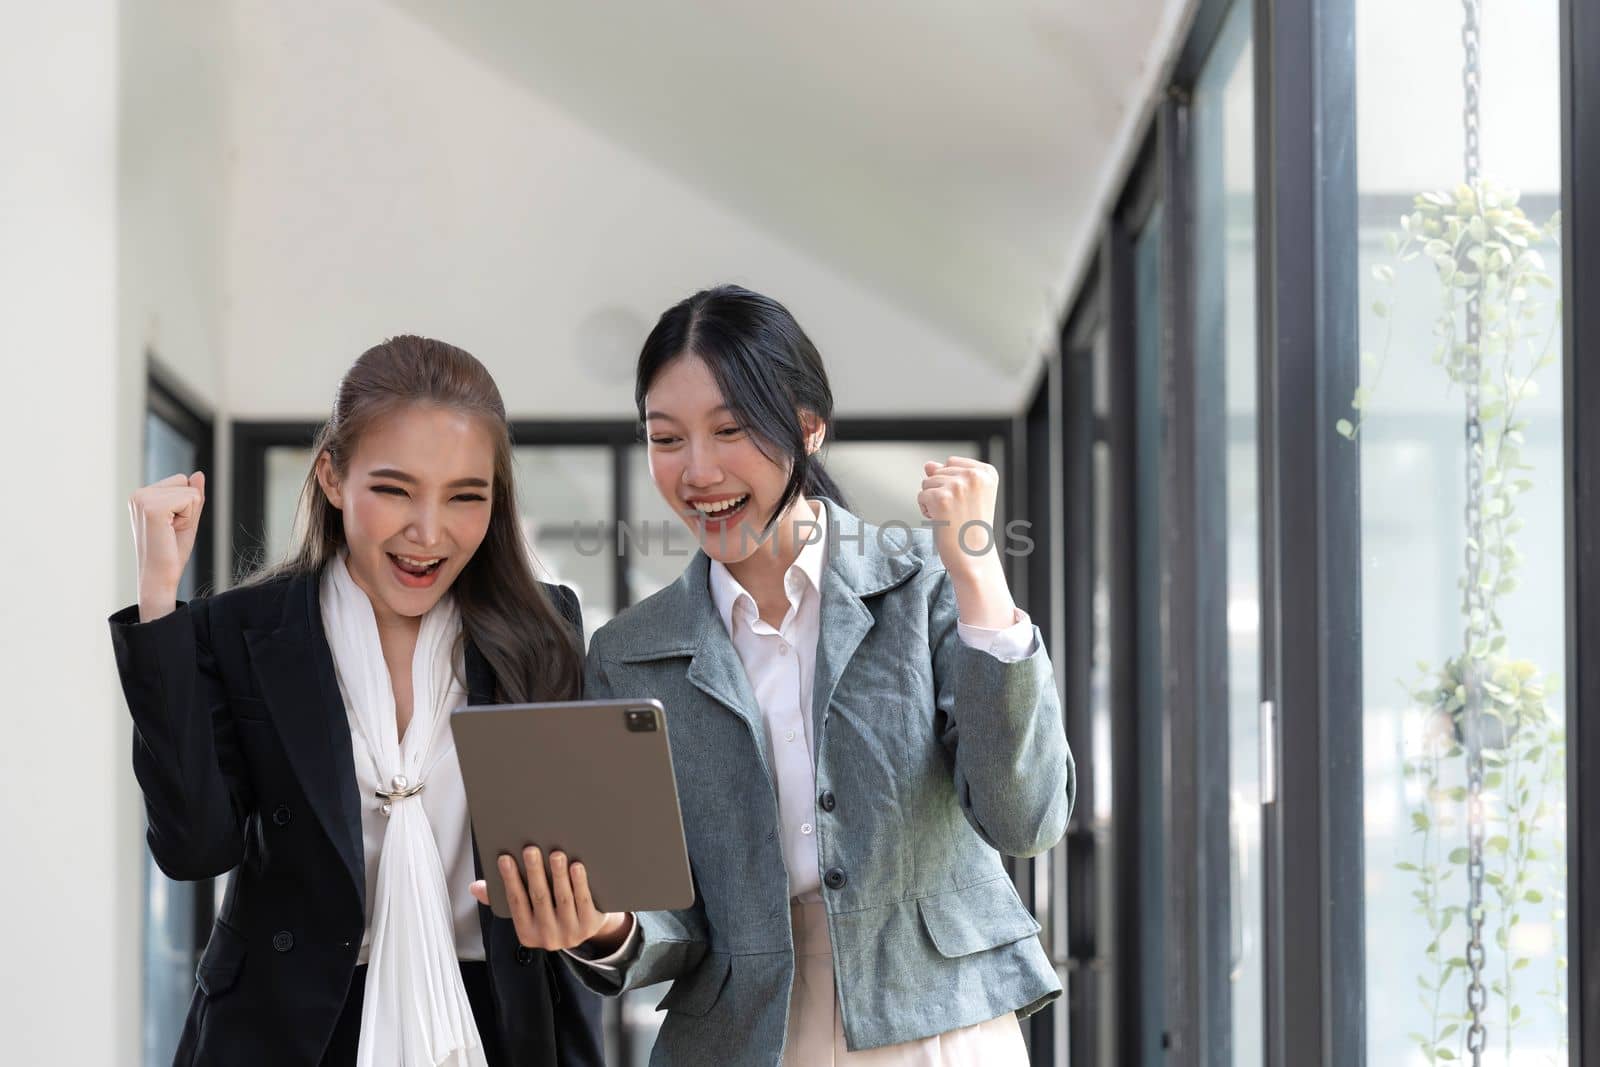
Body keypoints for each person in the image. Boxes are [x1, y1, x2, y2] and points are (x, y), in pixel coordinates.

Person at [476, 287, 1075, 1065]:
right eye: (666, 438)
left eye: (730, 429)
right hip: (742, 1039)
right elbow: (667, 915)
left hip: (939, 1024)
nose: (697, 470)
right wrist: (603, 924)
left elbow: (1025, 819)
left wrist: (981, 579)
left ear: (807, 426)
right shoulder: (629, 650)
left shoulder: (924, 586)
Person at [110, 336, 604, 1067]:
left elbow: (576, 864)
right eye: (395, 489)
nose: (428, 532)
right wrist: (159, 604)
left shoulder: (543, 626)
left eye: (466, 496)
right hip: (296, 1027)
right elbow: (194, 848)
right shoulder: (245, 629)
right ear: (333, 476)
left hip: (493, 1020)